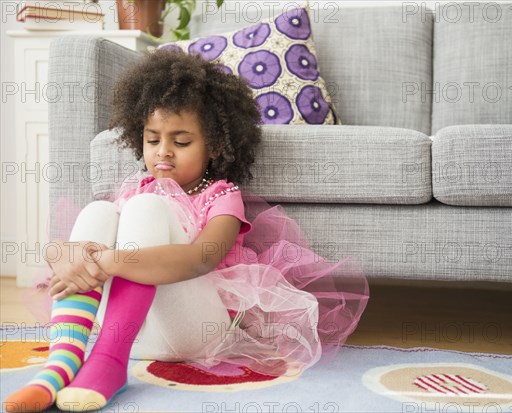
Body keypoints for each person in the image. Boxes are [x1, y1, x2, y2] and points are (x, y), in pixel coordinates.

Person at [3, 49, 369, 413]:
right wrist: (63, 256)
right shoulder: (135, 189)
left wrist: (110, 260)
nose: (163, 152)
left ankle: (109, 364)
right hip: (137, 333)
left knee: (146, 209)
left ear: (214, 145)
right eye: (152, 140)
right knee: (99, 210)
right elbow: (69, 249)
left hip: (194, 334)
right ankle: (59, 368)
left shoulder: (222, 196)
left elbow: (199, 260)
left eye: (181, 142)